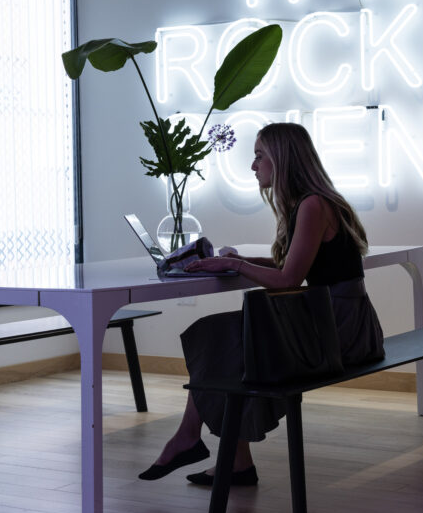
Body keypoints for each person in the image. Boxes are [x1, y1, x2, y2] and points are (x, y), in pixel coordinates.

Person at [138, 122, 385, 486]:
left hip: (341, 331)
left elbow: (288, 280)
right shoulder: (314, 201)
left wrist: (236, 265)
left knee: (225, 338)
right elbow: (296, 267)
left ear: (282, 159)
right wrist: (239, 262)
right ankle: (227, 457)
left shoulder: (313, 205)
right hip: (336, 319)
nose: (253, 166)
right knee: (225, 337)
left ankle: (196, 441)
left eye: (259, 156)